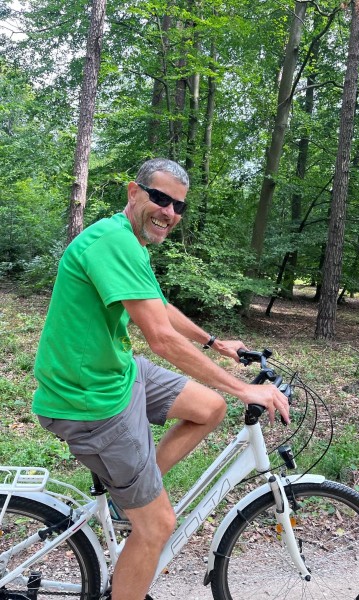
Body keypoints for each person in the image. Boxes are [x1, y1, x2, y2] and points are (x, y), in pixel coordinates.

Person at [33, 158, 290, 600]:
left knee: (210, 407)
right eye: (160, 198)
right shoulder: (115, 242)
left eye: (178, 206)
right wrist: (245, 388)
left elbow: (160, 308)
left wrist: (214, 343)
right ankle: (138, 510)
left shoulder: (127, 239)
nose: (169, 212)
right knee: (158, 526)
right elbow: (161, 338)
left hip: (115, 373)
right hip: (90, 401)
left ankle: (127, 497)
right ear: (134, 192)